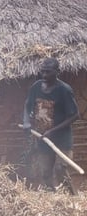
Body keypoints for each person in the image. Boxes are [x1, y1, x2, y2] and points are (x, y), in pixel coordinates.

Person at [22, 57, 80, 193]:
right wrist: (26, 121)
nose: (44, 75)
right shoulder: (36, 86)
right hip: (43, 138)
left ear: (57, 71)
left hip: (62, 139)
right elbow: (27, 104)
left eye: (48, 72)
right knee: (45, 172)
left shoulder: (64, 90)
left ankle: (72, 197)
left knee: (60, 169)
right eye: (42, 72)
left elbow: (75, 115)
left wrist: (53, 131)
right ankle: (53, 198)